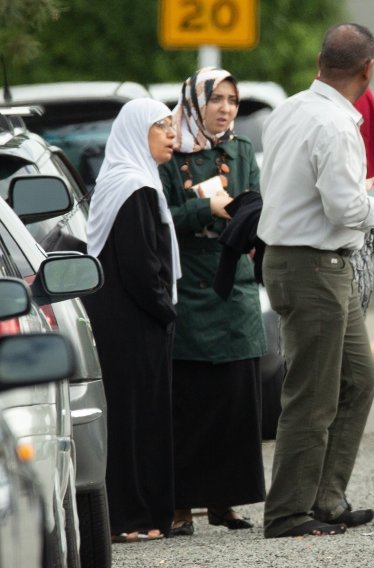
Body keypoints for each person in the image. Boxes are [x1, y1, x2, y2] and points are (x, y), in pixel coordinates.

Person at [257, 23, 374, 538]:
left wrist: (360, 191)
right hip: (314, 268)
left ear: (321, 61)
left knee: (358, 379)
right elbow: (344, 208)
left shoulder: (291, 109)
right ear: (368, 69)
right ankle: (288, 512)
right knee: (312, 394)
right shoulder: (334, 124)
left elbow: (305, 188)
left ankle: (324, 498)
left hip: (302, 259)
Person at [158, 68, 266, 536]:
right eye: (216, 98)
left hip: (234, 284)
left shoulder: (241, 150)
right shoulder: (169, 153)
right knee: (189, 401)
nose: (225, 108)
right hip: (189, 284)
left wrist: (248, 217)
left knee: (235, 400)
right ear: (194, 101)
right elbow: (161, 217)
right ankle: (180, 505)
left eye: (232, 100)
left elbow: (257, 201)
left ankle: (226, 502)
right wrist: (206, 209)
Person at [83, 98, 181, 542]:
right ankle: (130, 518)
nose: (171, 133)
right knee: (133, 419)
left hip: (128, 319)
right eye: (160, 125)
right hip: (132, 322)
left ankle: (140, 514)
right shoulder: (133, 187)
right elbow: (142, 267)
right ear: (136, 132)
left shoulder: (130, 180)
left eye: (170, 124)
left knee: (137, 416)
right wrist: (166, 310)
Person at [351, 87, 374, 315]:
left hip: (353, 252)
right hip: (342, 256)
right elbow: (347, 207)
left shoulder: (298, 108)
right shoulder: (340, 117)